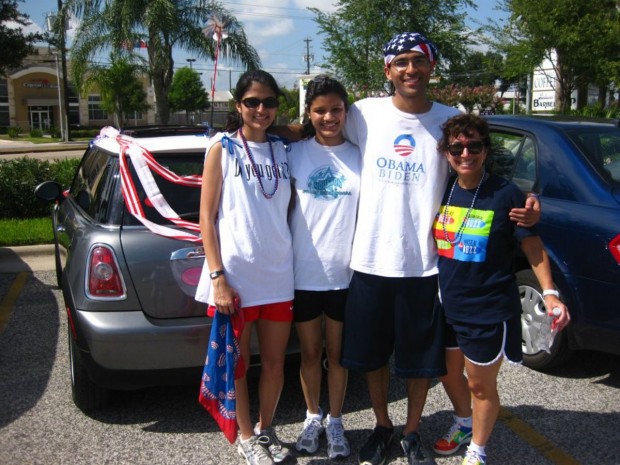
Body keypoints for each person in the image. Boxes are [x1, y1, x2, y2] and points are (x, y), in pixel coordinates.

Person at [337, 32, 541, 465]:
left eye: (419, 61)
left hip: (425, 267)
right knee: (373, 359)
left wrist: (527, 204)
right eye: (402, 61)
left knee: (418, 364)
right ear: (388, 70)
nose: (411, 69)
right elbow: (316, 134)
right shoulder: (362, 113)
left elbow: (483, 175)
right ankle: (382, 425)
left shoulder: (451, 119)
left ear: (431, 67)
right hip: (370, 260)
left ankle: (411, 430)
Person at [431, 113, 570, 465]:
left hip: (488, 306)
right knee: (447, 373)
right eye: (457, 147)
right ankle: (463, 422)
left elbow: (532, 246)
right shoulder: (440, 188)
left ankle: (477, 449)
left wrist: (550, 293)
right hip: (447, 304)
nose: (465, 153)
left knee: (480, 385)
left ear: (486, 150)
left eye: (474, 146)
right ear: (445, 152)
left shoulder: (505, 194)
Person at [195, 69, 294, 465]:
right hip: (236, 277)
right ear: (238, 105)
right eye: (252, 101)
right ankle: (246, 436)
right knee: (239, 363)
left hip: (279, 275)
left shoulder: (284, 149)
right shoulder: (223, 148)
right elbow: (206, 218)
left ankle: (266, 430)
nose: (261, 109)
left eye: (269, 102)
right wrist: (218, 278)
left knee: (274, 361)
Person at [287, 75, 361, 460]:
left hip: (345, 275)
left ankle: (335, 421)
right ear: (309, 113)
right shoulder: (295, 153)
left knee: (339, 355)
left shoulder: (359, 154)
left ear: (345, 111)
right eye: (320, 110)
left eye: (335, 109)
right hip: (303, 275)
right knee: (310, 354)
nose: (328, 116)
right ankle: (312, 416)